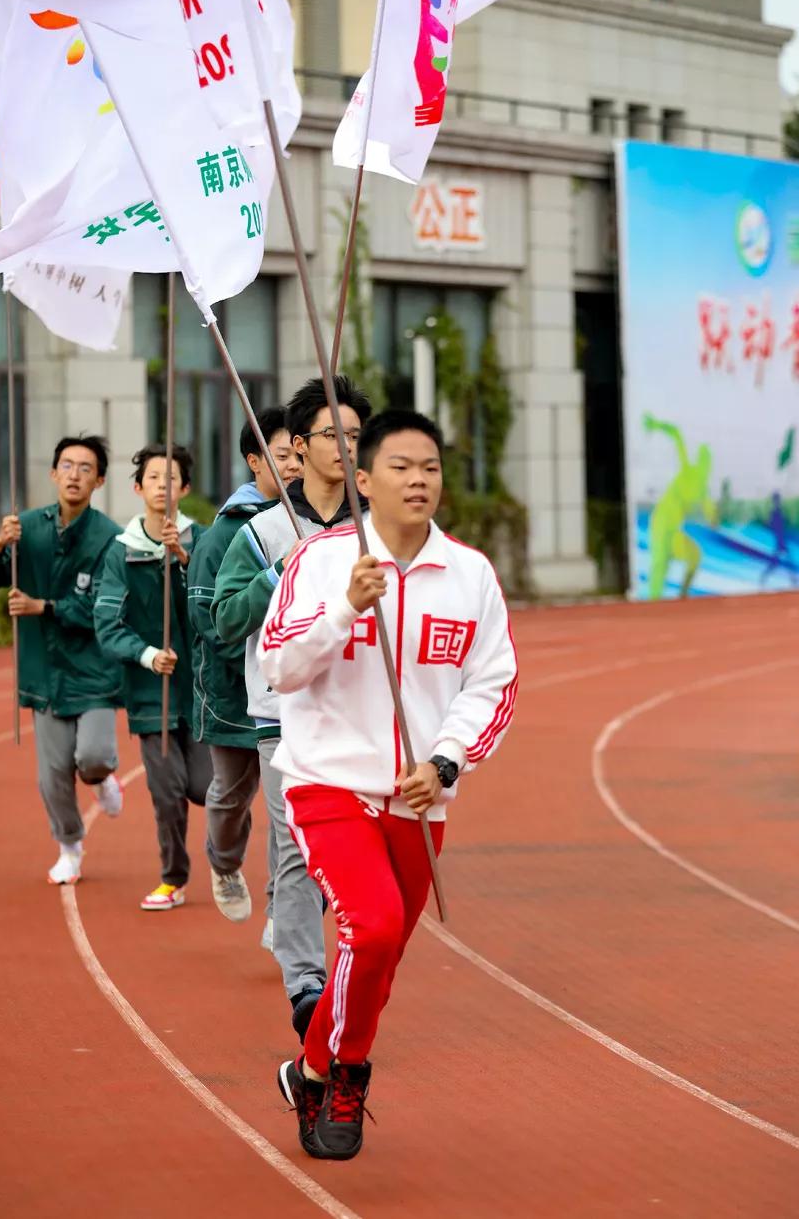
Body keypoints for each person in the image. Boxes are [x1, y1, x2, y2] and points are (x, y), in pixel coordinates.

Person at [259, 409, 518, 1161]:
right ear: (362, 479)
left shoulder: (468, 573)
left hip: (416, 796)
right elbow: (278, 667)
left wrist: (444, 761)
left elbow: (491, 683)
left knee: (377, 958)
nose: (417, 480)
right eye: (400, 466)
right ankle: (348, 1075)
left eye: (430, 467)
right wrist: (345, 606)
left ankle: (308, 1068)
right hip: (328, 783)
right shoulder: (321, 560)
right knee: (368, 927)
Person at [211, 375, 371, 1040]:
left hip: (363, 715)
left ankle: (349, 965)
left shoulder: (375, 526)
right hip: (285, 715)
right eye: (334, 435)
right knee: (297, 846)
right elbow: (223, 619)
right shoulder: (262, 531)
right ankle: (306, 985)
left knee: (358, 851)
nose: (348, 448)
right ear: (298, 448)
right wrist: (282, 572)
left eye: (358, 436)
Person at [0, 435, 123, 885]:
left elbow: (106, 605)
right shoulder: (27, 528)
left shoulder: (109, 538)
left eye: (85, 468)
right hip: (45, 672)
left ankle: (100, 779)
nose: (74, 474)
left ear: (98, 480)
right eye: (67, 465)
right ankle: (70, 845)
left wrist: (46, 607)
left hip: (94, 672)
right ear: (53, 474)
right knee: (52, 775)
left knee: (94, 755)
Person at [187, 408, 301, 933]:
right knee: (232, 794)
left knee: (288, 812)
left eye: (301, 457)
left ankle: (283, 909)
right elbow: (213, 621)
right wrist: (262, 664)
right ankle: (225, 862)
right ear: (254, 462)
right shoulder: (226, 534)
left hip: (290, 698)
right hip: (234, 693)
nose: (294, 468)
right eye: (282, 458)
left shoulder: (315, 527)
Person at [95, 443, 211, 910]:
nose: (163, 486)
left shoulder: (201, 540)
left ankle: (226, 856)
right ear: (138, 487)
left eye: (172, 478)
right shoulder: (120, 553)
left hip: (202, 691)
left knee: (206, 788)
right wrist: (146, 655)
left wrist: (183, 561)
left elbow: (214, 608)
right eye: (154, 477)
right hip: (151, 696)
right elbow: (107, 625)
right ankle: (173, 877)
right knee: (166, 792)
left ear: (185, 488)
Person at [643, 413, 717, 600]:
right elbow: (676, 434)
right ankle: (652, 605)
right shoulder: (688, 470)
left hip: (673, 528)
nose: (704, 464)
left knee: (694, 556)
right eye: (702, 458)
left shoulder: (702, 489)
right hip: (661, 521)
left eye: (707, 460)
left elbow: (711, 515)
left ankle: (682, 596)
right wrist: (656, 424)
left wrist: (714, 518)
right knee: (660, 564)